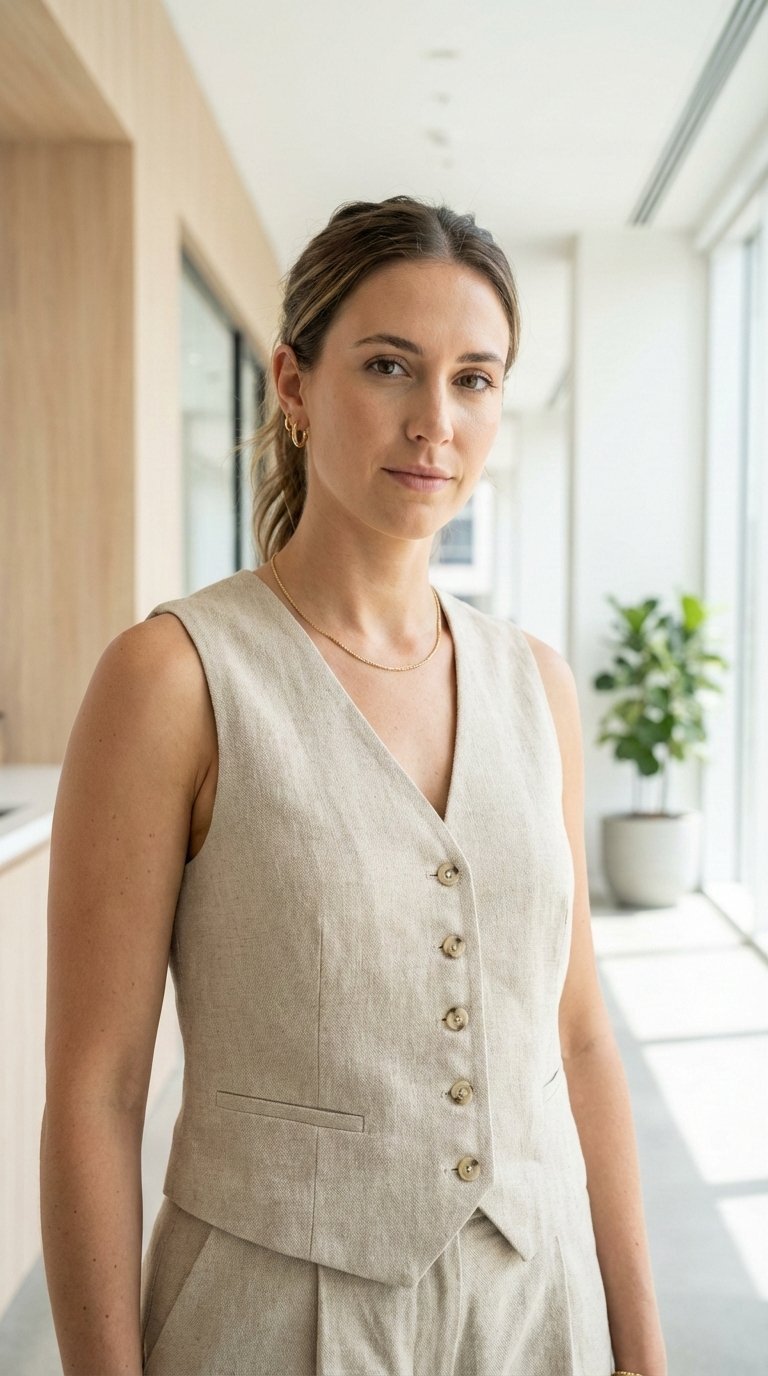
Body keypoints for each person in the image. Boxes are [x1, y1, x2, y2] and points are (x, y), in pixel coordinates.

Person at [40, 194, 667, 1376]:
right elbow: (98, 1089)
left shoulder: (538, 687)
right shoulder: (174, 677)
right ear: (294, 381)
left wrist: (643, 1348)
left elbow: (580, 1037)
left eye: (475, 379)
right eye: (390, 366)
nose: (436, 420)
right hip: (275, 1317)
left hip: (537, 1308)